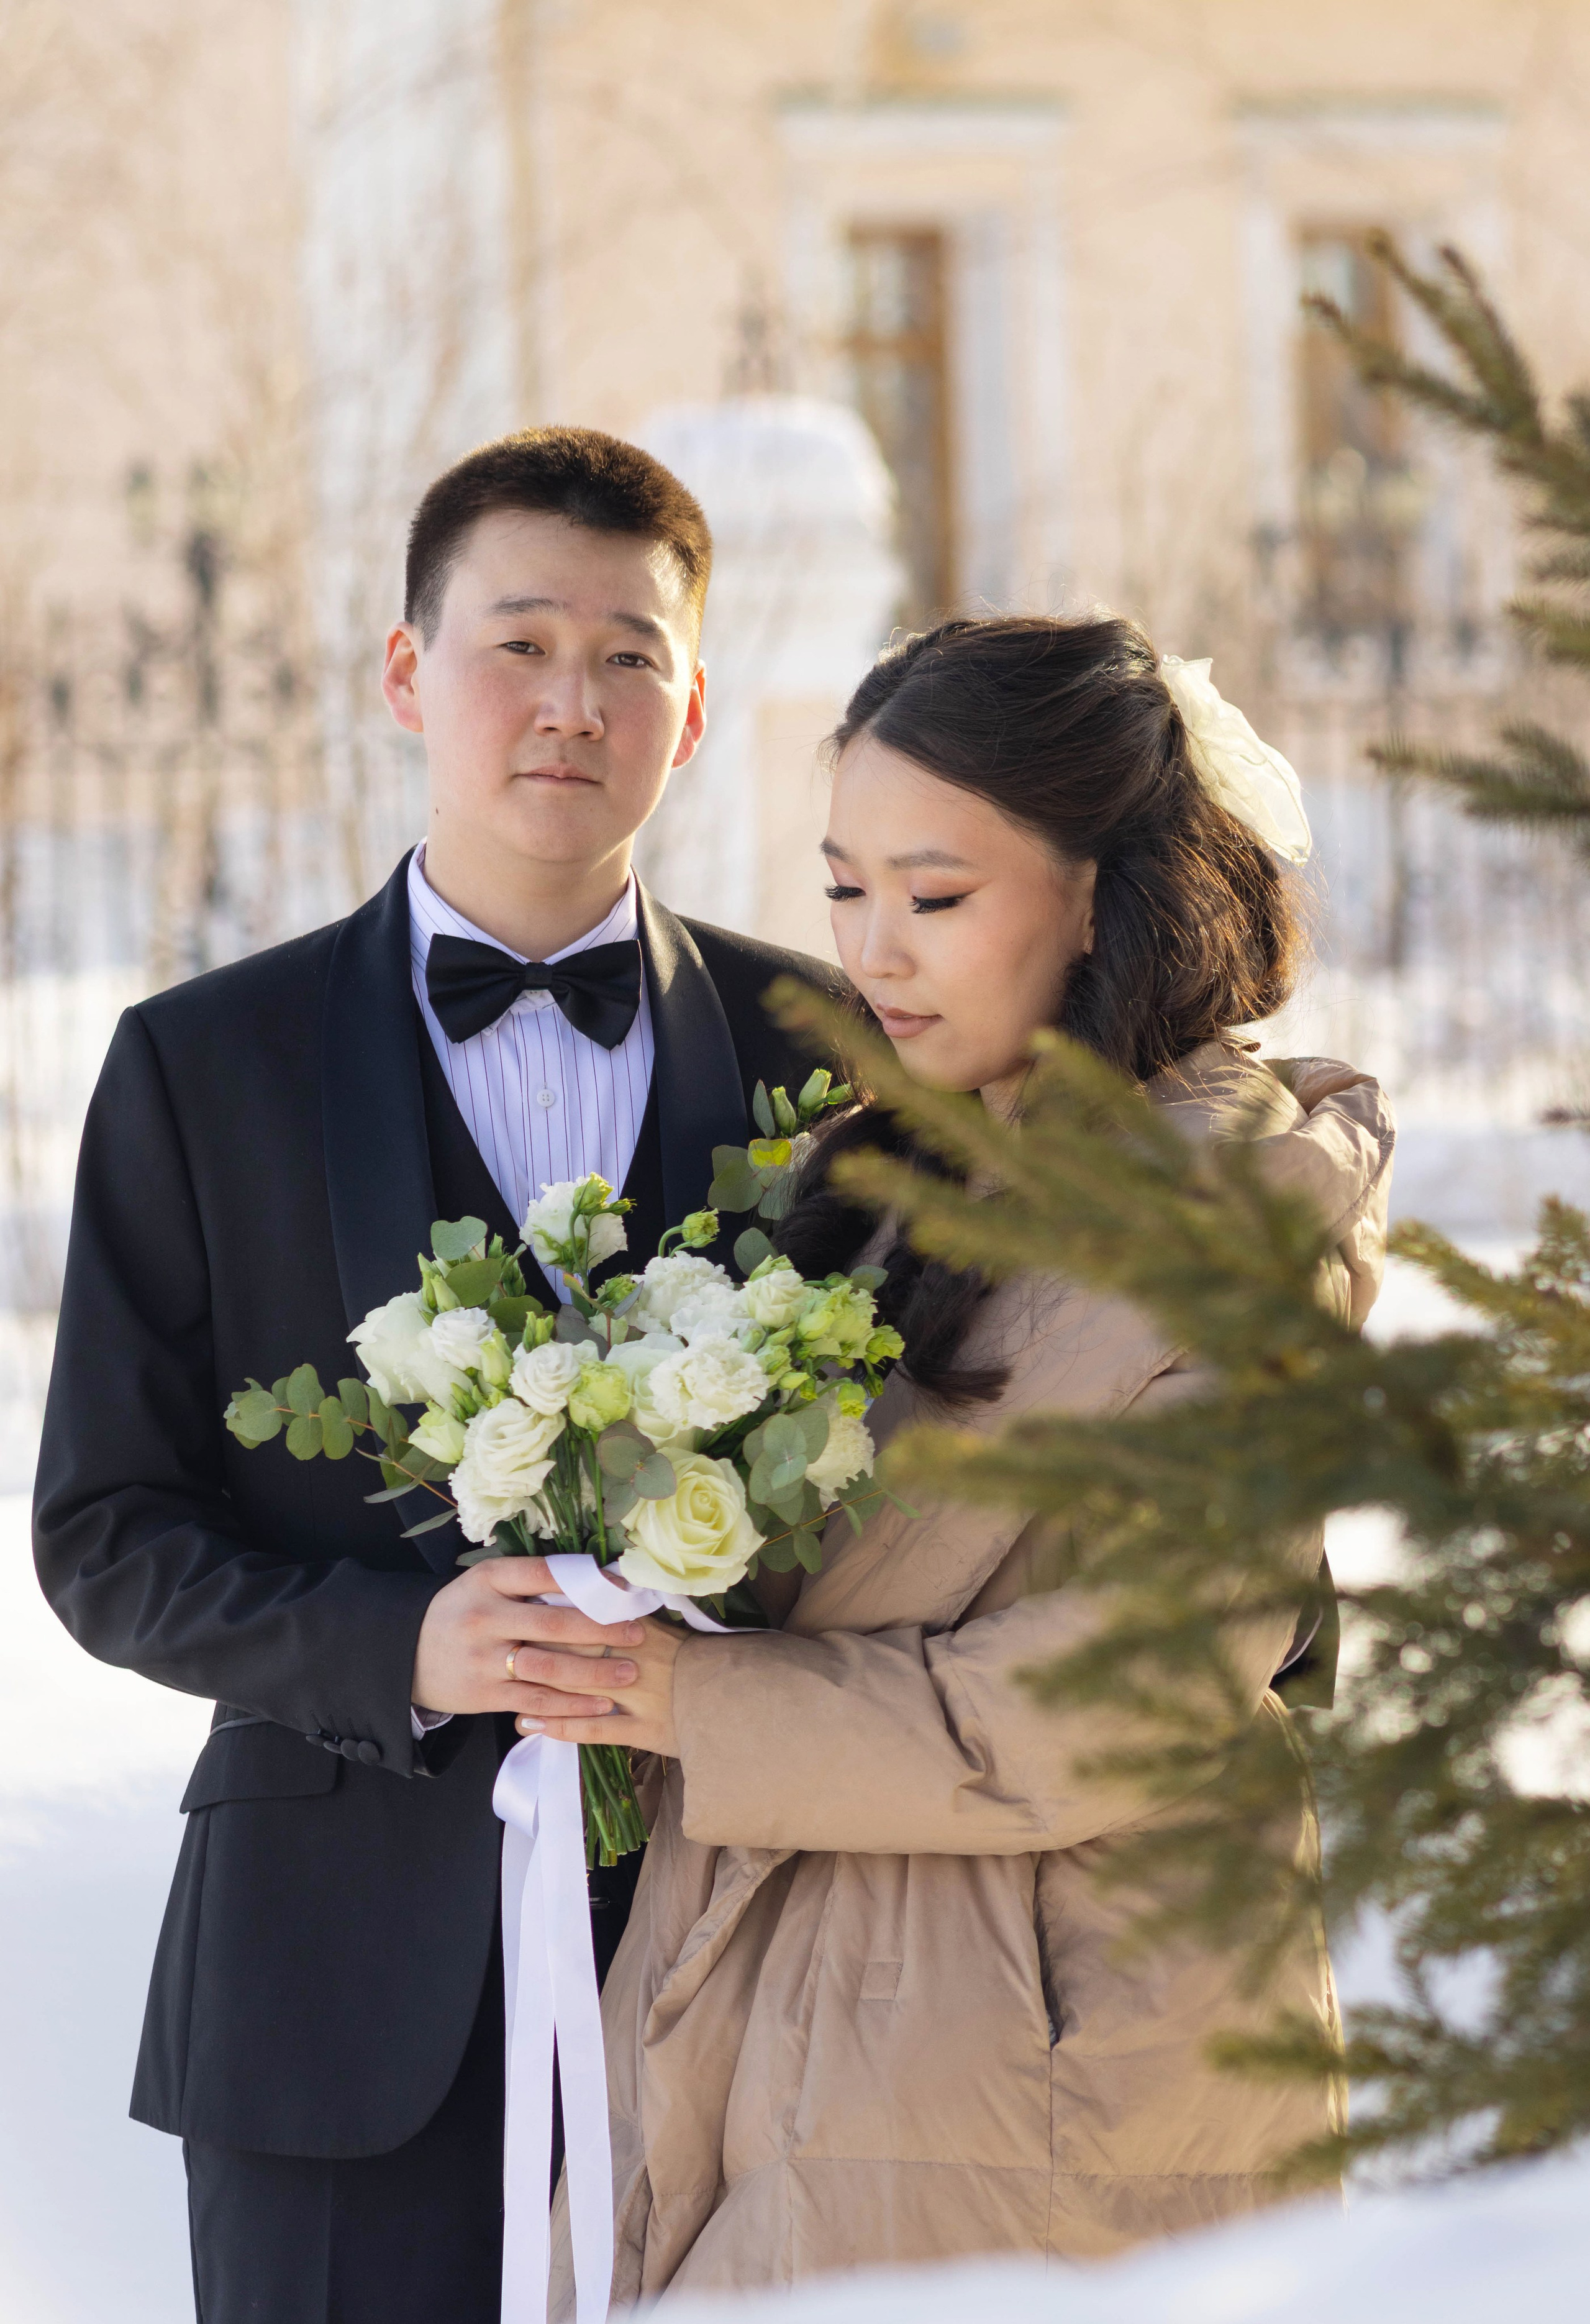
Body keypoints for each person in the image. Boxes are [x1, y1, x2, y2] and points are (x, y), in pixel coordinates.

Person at [32, 426, 844, 2324]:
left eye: (631, 656)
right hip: (329, 2008)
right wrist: (397, 1648)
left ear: (695, 706)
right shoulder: (200, 1063)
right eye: (520, 643)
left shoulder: (836, 1056)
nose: (574, 702)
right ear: (409, 672)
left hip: (752, 1984)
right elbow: (104, 1532)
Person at [517, 614, 1395, 2306]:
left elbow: (1122, 1693)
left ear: (1100, 897)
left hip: (1048, 2066)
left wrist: (692, 1708)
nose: (875, 949)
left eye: (935, 896)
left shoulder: (1231, 1225)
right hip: (797, 2005)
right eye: (846, 888)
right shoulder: (877, 1172)